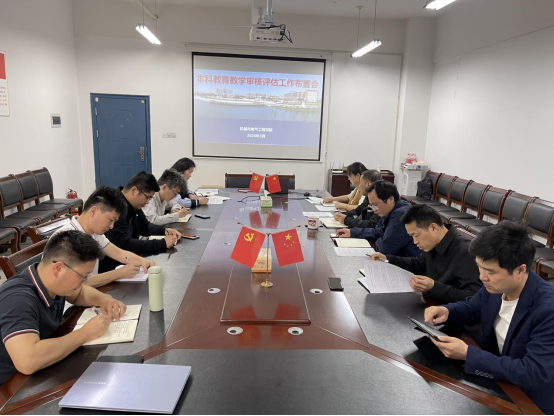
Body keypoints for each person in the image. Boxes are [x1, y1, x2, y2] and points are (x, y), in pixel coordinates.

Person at [424, 222, 554, 415]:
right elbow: (472, 307)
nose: (482, 277)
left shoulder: (548, 309)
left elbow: (534, 372)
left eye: (490, 271)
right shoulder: (496, 286)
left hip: (529, 399)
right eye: (479, 267)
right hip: (498, 380)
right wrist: (447, 311)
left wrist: (468, 354)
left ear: (520, 270)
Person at [0, 231, 127, 385]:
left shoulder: (51, 281)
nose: (84, 282)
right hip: (13, 386)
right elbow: (28, 361)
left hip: (45, 366)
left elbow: (79, 293)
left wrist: (105, 299)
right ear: (59, 268)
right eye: (83, 276)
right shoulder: (18, 300)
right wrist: (85, 333)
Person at [370, 205, 482, 303]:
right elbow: (418, 263)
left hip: (450, 312)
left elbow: (473, 296)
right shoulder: (433, 243)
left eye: (416, 235)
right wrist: (387, 259)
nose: (415, 241)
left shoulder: (466, 252)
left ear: (433, 228)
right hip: (434, 304)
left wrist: (433, 287)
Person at [53, 186, 158, 288]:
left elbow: (118, 253)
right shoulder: (66, 239)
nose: (111, 226)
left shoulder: (94, 233)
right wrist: (119, 273)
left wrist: (142, 261)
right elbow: (79, 283)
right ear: (93, 211)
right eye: (111, 220)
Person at [100, 172, 182, 273]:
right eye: (147, 197)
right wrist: (161, 243)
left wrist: (164, 230)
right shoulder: (115, 207)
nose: (147, 202)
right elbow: (124, 243)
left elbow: (145, 226)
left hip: (129, 262)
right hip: (113, 268)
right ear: (134, 190)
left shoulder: (133, 204)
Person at [337, 181, 421, 257]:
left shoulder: (401, 214)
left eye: (375, 205)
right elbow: (378, 231)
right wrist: (352, 232)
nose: (373, 210)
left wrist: (382, 237)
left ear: (390, 199)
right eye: (371, 205)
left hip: (407, 263)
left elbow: (386, 248)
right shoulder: (389, 209)